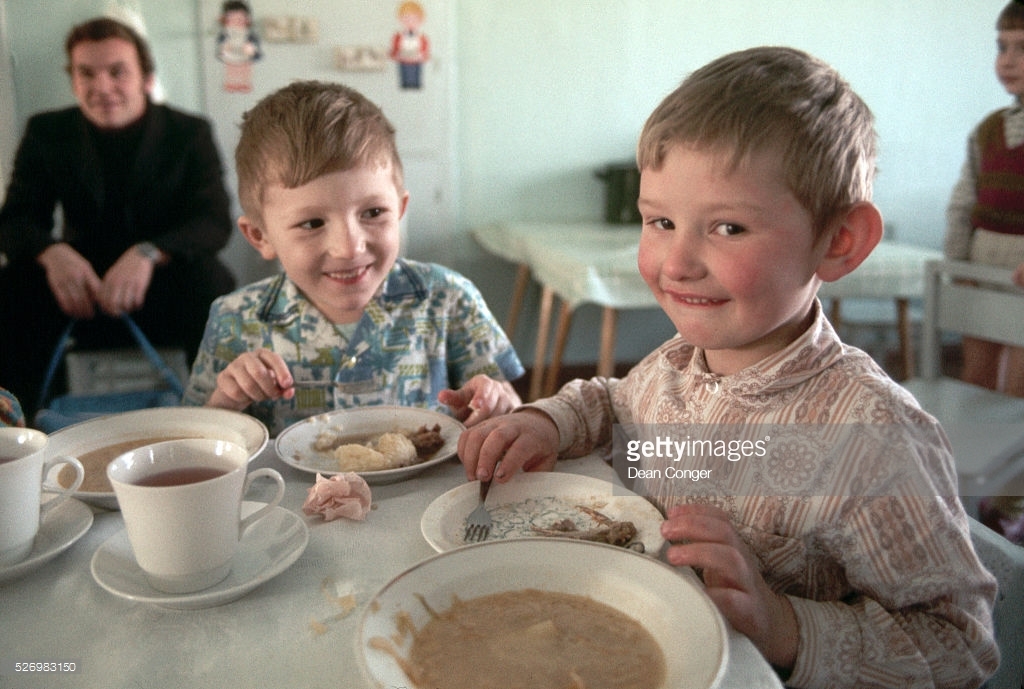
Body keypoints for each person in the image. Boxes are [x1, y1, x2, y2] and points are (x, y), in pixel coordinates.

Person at [458, 47, 999, 688]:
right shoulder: (677, 365)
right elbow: (613, 401)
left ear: (838, 241)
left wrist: (784, 625)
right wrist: (549, 421)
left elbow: (961, 649)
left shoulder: (872, 437)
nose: (677, 261)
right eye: (660, 221)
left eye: (729, 228)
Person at [182, 81, 523, 436]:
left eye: (373, 212)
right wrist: (227, 400)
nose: (349, 248)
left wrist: (498, 404)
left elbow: (511, 410)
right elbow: (198, 441)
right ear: (260, 236)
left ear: (401, 208)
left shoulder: (450, 298)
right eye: (312, 223)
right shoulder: (234, 321)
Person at [0, 17, 235, 420]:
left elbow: (213, 220)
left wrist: (149, 253)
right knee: (8, 290)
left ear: (146, 76)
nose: (102, 87)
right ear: (73, 79)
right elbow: (15, 220)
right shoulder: (46, 132)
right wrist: (52, 253)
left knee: (215, 286)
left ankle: (222, 420)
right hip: (77, 290)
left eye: (117, 72)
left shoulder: (189, 131)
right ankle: (19, 430)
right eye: (86, 73)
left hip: (165, 284)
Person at [945, 0, 1024, 543]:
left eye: (1022, 48)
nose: (1009, 60)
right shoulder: (989, 129)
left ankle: (1010, 498)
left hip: (1021, 282)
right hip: (981, 270)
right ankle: (965, 494)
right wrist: (956, 260)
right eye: (1003, 47)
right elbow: (964, 198)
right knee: (975, 381)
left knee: (1016, 394)